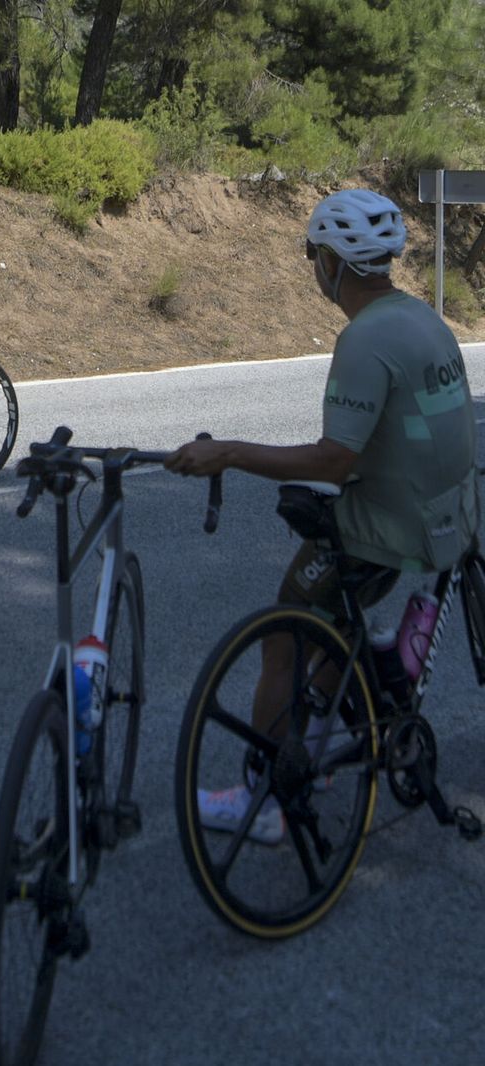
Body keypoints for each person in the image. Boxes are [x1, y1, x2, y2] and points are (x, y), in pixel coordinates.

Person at [165, 188, 479, 844]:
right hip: (449, 515)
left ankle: (266, 799)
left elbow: (333, 461)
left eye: (314, 254)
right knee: (330, 621)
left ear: (333, 262)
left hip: (389, 529)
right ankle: (335, 723)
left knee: (288, 625)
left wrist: (228, 452)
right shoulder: (423, 317)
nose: (313, 265)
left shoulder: (363, 340)